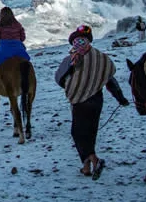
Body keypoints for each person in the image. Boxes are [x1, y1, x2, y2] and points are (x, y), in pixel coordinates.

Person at [54, 24, 128, 181]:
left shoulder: (72, 59)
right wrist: (120, 98)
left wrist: (73, 86)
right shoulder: (100, 58)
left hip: (80, 101)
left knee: (77, 132)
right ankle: (86, 167)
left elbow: (59, 78)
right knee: (90, 133)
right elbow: (109, 79)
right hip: (96, 99)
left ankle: (94, 160)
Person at [0, 7, 30, 79]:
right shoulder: (18, 25)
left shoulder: (0, 26)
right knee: (26, 62)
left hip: (4, 48)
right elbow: (23, 38)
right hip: (18, 48)